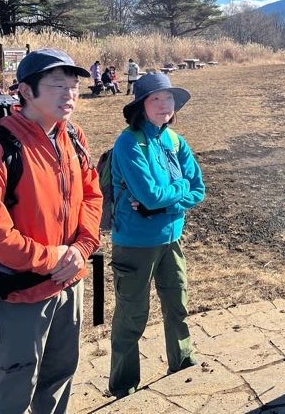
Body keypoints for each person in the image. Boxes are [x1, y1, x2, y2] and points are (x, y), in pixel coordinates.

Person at [0, 48, 102, 413]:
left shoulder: (72, 135)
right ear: (25, 90)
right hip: (20, 295)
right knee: (9, 390)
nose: (69, 95)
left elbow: (91, 193)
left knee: (59, 376)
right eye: (57, 85)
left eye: (72, 86)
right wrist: (52, 258)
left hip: (70, 282)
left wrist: (82, 247)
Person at [108, 72, 205, 397]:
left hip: (171, 238)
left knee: (177, 303)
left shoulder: (175, 141)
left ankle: (183, 361)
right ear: (141, 106)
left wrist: (166, 200)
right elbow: (149, 194)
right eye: (156, 99)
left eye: (169, 99)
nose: (165, 105)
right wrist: (173, 194)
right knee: (132, 316)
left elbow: (198, 189)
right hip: (134, 243)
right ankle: (124, 386)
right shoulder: (128, 142)